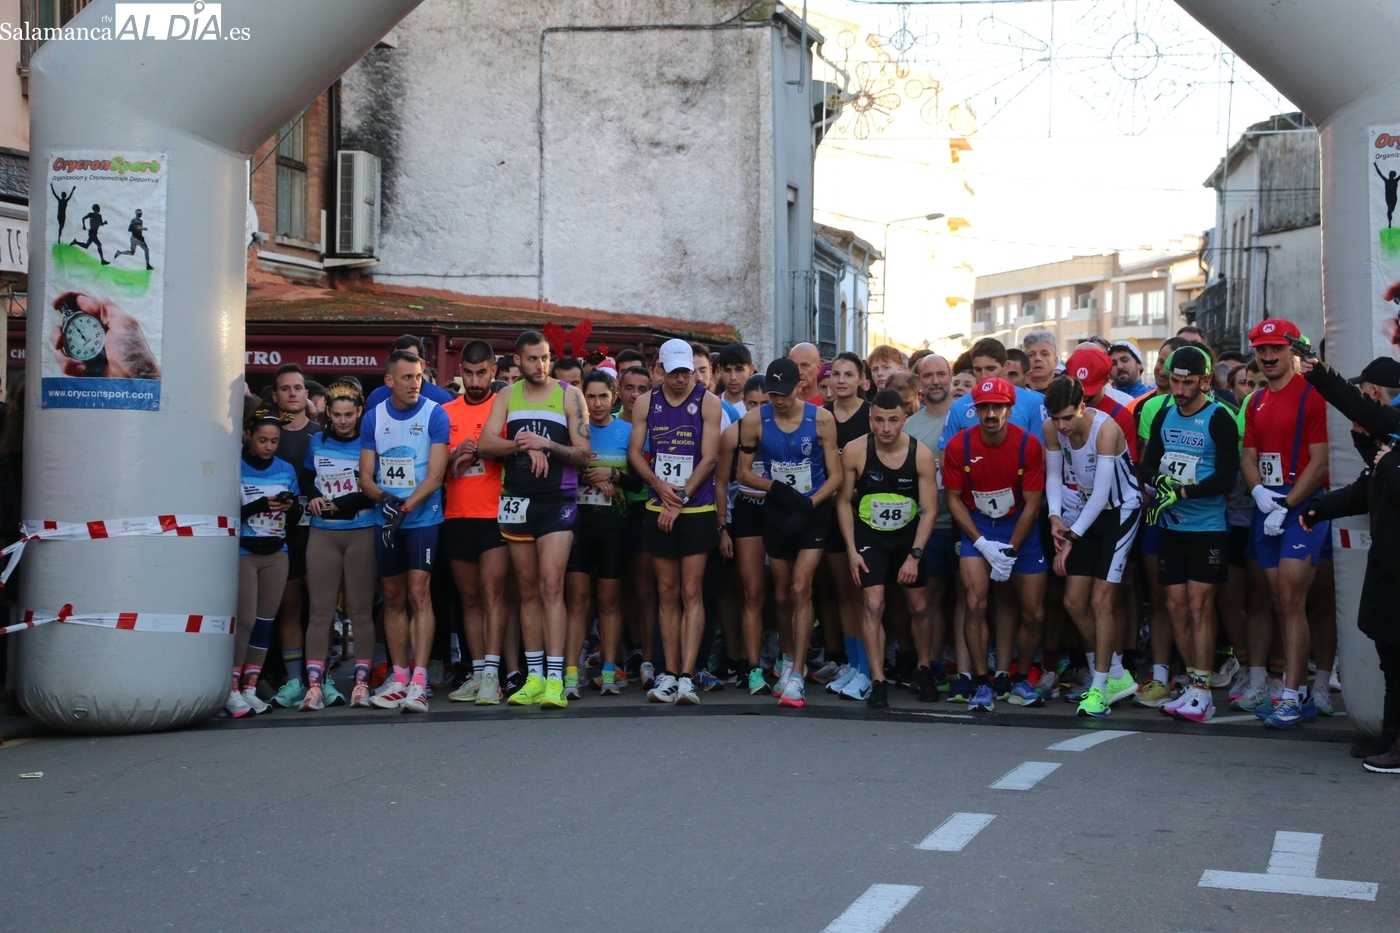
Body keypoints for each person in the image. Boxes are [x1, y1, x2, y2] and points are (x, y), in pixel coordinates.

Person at [477, 331, 591, 709]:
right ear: (517, 361)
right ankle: (535, 677)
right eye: (532, 359)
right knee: (527, 590)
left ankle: (556, 679)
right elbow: (486, 444)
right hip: (517, 499)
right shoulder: (507, 396)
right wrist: (523, 443)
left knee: (551, 585)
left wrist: (548, 445)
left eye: (545, 358)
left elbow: (583, 453)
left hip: (557, 499)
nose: (540, 365)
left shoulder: (569, 395)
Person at [1298, 353, 1400, 765]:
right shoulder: (1388, 439)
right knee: (1391, 657)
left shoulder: (1392, 431)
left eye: (1366, 396)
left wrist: (1321, 374)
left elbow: (1392, 476)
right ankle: (1390, 737)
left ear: (1375, 393)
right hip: (1389, 562)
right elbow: (1366, 488)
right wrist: (1319, 508)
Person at [1140, 346, 1240, 724]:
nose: (1179, 390)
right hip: (1172, 526)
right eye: (1175, 382)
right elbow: (1147, 465)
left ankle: (1203, 692)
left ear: (1205, 381)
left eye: (1187, 382)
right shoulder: (1164, 414)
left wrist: (1181, 492)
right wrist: (1161, 483)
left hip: (1207, 528)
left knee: (1200, 606)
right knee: (1175, 606)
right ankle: (1194, 685)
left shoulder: (1219, 418)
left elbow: (1226, 478)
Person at [736, 358, 842, 707]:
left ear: (800, 387)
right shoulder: (754, 421)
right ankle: (787, 659)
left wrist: (809, 505)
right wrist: (776, 488)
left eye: (784, 394)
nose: (778, 401)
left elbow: (836, 476)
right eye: (773, 395)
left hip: (813, 508)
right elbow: (742, 473)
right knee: (782, 594)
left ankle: (797, 673)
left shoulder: (821, 419)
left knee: (800, 587)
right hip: (779, 510)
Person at [1241, 319, 1329, 729]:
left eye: (1276, 348)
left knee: (1293, 598)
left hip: (1303, 506)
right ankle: (1292, 690)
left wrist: (1287, 505)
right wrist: (1259, 491)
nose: (1268, 356)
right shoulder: (1256, 400)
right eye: (1262, 349)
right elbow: (1249, 454)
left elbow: (1320, 462)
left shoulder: (1312, 395)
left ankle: (1293, 695)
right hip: (1269, 502)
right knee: (1279, 599)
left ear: (1291, 351)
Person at [942, 377, 1047, 712]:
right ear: (975, 410)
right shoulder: (959, 446)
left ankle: (1019, 680)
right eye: (984, 407)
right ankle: (982, 682)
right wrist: (981, 543)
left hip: (1019, 526)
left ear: (1009, 409)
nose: (990, 414)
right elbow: (953, 499)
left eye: (997, 407)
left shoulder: (1028, 445)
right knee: (974, 602)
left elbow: (1033, 504)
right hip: (978, 525)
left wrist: (1010, 550)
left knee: (1034, 611)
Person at [1043, 376, 1143, 717]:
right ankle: (1115, 674)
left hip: (1120, 511)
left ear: (1082, 407)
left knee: (1101, 601)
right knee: (1073, 601)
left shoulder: (1106, 429)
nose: (1061, 426)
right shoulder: (1051, 428)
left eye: (1067, 418)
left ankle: (1100, 687)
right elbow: (1054, 476)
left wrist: (1071, 538)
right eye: (1055, 418)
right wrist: (1055, 518)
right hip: (1088, 513)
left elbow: (1102, 493)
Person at [627, 339, 720, 705]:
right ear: (659, 370)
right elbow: (635, 453)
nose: (682, 379)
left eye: (687, 372)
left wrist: (680, 499)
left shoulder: (708, 402)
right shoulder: (646, 403)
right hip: (659, 505)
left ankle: (687, 675)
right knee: (666, 592)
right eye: (674, 372)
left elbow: (709, 458)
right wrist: (658, 485)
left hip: (695, 509)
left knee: (691, 592)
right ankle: (668, 672)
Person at [358, 350, 450, 713]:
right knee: (393, 596)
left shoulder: (434, 413)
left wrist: (406, 508)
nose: (415, 384)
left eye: (419, 377)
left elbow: (436, 476)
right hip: (387, 518)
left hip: (422, 518)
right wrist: (385, 500)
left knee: (418, 592)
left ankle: (419, 681)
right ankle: (398, 678)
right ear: (389, 380)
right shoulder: (373, 417)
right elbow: (366, 477)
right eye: (407, 377)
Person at [837, 389, 939, 709]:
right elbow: (843, 501)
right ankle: (878, 679)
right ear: (870, 419)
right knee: (873, 604)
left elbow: (930, 510)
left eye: (893, 420)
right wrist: (852, 550)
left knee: (918, 606)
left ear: (904, 419)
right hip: (871, 536)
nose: (885, 428)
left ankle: (923, 669)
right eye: (879, 420)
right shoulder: (855, 451)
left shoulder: (920, 455)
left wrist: (915, 555)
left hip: (908, 538)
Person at [441, 341, 511, 706]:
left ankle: (492, 676)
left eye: (481, 373)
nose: (474, 381)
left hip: (494, 516)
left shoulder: (503, 408)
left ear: (493, 371)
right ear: (460, 373)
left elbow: (513, 451)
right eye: (468, 373)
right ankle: (478, 671)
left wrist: (483, 450)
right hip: (457, 515)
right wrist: (455, 455)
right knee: (468, 599)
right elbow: (433, 466)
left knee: (492, 594)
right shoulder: (445, 412)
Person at [300, 383, 375, 710]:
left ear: (359, 412)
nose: (343, 421)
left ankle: (361, 683)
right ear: (327, 413)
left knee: (361, 611)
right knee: (320, 612)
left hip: (361, 531)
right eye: (337, 415)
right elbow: (306, 477)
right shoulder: (317, 441)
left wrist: (343, 503)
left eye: (349, 414)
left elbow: (374, 488)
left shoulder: (369, 442)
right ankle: (315, 686)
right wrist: (314, 496)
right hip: (323, 534)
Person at [566, 369, 636, 697]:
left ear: (614, 396)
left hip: (614, 527)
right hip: (578, 525)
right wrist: (587, 476)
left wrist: (614, 475)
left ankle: (610, 671)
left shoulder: (627, 431)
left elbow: (640, 480)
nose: (596, 404)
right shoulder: (574, 431)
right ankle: (571, 672)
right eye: (590, 397)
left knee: (608, 601)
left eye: (603, 397)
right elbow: (561, 472)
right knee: (578, 601)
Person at [232, 408, 302, 718]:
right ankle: (231, 688)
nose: (269, 447)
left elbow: (296, 515)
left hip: (277, 551)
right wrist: (259, 504)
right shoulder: (235, 465)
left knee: (265, 622)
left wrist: (289, 506)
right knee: (245, 621)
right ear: (248, 436)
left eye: (274, 441)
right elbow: (227, 513)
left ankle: (250, 686)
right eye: (263, 440)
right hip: (245, 552)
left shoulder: (285, 469)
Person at [267, 364, 322, 709]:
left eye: (298, 388)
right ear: (275, 396)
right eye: (285, 388)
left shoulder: (321, 435)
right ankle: (290, 678)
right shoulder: (267, 436)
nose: (292, 393)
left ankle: (320, 677)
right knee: (287, 607)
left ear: (306, 393)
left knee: (319, 608)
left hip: (320, 532)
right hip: (278, 535)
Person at [822, 353, 874, 699]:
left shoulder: (871, 416)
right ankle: (853, 665)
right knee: (843, 591)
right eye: (836, 374)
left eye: (848, 374)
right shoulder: (821, 417)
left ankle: (868, 669)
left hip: (864, 515)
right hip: (828, 513)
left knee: (864, 593)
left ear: (861, 381)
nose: (841, 380)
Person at [905, 353, 956, 701]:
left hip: (968, 522)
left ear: (950, 376)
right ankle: (933, 664)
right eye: (928, 376)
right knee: (932, 597)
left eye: (941, 374)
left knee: (971, 598)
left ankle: (972, 669)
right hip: (931, 525)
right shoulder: (910, 426)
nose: (935, 381)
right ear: (918, 382)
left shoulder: (966, 415)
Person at [717, 373, 771, 694]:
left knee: (785, 591)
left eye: (765, 403)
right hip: (743, 514)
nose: (758, 409)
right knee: (747, 590)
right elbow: (721, 483)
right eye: (752, 403)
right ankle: (745, 663)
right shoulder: (733, 433)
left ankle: (786, 660)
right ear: (743, 404)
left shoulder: (785, 428)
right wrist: (723, 526)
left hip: (780, 513)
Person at [617, 365, 658, 686]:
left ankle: (649, 656)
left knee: (644, 586)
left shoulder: (659, 423)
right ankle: (630, 648)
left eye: (642, 389)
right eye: (629, 388)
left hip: (647, 507)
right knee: (622, 585)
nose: (635, 395)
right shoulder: (609, 423)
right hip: (614, 511)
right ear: (619, 390)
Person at [937, 338, 1046, 451]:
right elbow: (946, 453)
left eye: (990, 369)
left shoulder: (1033, 402)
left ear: (1006, 367)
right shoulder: (958, 407)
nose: (984, 376)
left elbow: (1039, 452)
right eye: (978, 369)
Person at [365, 335, 455, 409]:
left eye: (411, 359)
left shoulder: (442, 399)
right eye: (399, 358)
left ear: (422, 366)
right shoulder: (376, 398)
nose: (406, 364)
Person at [716, 343, 755, 424]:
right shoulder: (710, 405)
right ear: (719, 370)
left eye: (739, 370)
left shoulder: (758, 408)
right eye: (727, 370)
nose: (733, 377)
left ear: (751, 369)